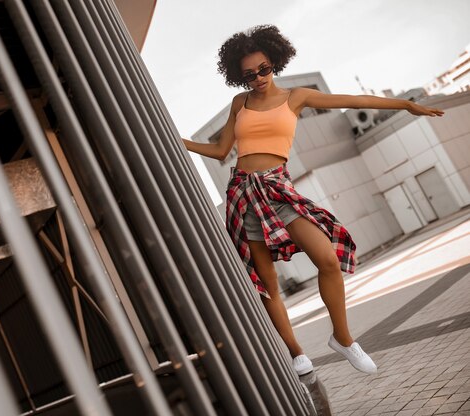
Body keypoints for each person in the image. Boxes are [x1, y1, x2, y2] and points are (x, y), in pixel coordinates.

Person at [182, 25, 444, 376]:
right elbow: (219, 151)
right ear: (239, 78)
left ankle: (343, 338)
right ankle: (296, 353)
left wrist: (405, 105)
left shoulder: (297, 97)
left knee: (327, 259)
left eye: (264, 69)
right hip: (243, 194)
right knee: (268, 283)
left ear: (274, 61)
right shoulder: (239, 103)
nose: (259, 78)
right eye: (249, 75)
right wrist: (178, 140)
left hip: (278, 190)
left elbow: (356, 101)